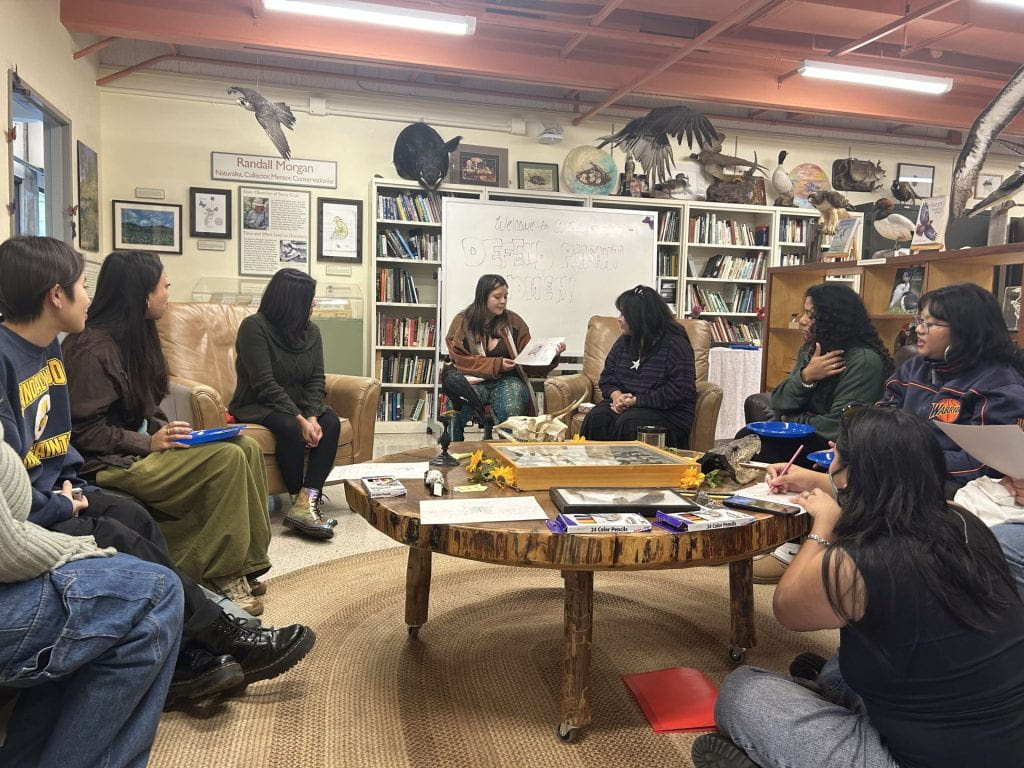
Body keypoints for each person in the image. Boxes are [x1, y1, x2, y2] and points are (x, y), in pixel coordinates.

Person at [0, 236, 316, 707]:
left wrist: (158, 431)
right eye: (81, 285)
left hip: (68, 483)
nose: (87, 295)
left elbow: (59, 441)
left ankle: (200, 634)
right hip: (70, 486)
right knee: (123, 525)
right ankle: (215, 636)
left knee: (144, 514)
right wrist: (70, 493)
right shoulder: (62, 350)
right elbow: (41, 461)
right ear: (56, 295)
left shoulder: (49, 350)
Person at [692, 407, 1024, 768]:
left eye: (836, 453)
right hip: (1002, 741)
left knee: (744, 691)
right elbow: (896, 488)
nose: (830, 449)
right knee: (841, 667)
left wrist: (823, 526)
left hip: (913, 758)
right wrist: (822, 482)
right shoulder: (964, 522)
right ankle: (831, 694)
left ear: (852, 474)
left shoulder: (856, 564)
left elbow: (788, 608)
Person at [61, 250, 274, 615]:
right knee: (226, 460)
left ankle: (248, 563)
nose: (169, 294)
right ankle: (220, 574)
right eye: (165, 287)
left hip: (137, 450)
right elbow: (83, 433)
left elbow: (146, 404)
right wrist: (148, 442)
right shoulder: (89, 350)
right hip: (108, 463)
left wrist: (169, 430)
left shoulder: (135, 337)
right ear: (143, 294)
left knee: (244, 445)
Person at [0, 418, 183, 767]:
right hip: (66, 496)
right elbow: (7, 546)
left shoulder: (51, 363)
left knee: (126, 539)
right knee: (155, 592)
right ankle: (208, 632)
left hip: (52, 501)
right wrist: (72, 545)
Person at [230, 268, 339, 539]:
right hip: (258, 403)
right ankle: (296, 500)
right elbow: (264, 384)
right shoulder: (254, 327)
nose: (313, 304)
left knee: (331, 421)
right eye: (309, 298)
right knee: (290, 426)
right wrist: (300, 419)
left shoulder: (312, 332)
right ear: (292, 302)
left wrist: (312, 417)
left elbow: (316, 379)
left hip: (299, 405)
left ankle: (307, 501)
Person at [743, 283, 892, 465]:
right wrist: (806, 376)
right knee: (746, 439)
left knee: (761, 448)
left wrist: (791, 419)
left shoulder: (864, 361)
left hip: (836, 447)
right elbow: (779, 400)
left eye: (812, 316)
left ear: (834, 320)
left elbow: (840, 425)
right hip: (808, 433)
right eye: (804, 313)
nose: (803, 321)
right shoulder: (812, 349)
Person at [445, 274, 563, 440]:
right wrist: (497, 364)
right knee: (455, 408)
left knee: (510, 407)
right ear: (482, 297)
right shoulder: (462, 322)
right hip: (473, 381)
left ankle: (509, 456)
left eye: (506, 296)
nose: (503, 301)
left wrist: (551, 355)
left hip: (509, 380)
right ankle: (452, 452)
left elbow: (528, 361)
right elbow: (460, 359)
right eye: (497, 297)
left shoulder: (514, 321)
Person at [579, 285, 695, 448]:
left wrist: (637, 401)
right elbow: (607, 377)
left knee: (630, 423)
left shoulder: (675, 345)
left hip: (668, 413)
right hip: (628, 405)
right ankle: (593, 471)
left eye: (624, 314)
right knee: (597, 417)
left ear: (641, 317)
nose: (619, 319)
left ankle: (628, 473)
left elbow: (678, 391)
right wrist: (616, 396)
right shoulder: (623, 342)